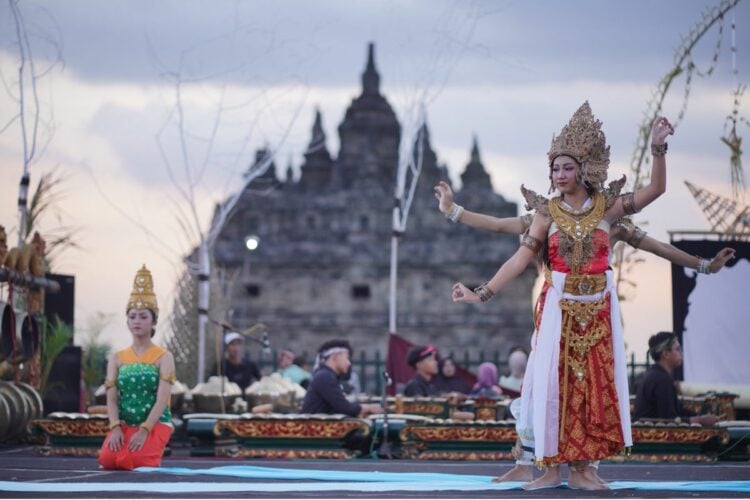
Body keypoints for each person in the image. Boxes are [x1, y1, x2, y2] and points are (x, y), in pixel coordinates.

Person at [447, 103, 674, 490]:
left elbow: (655, 190)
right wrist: (480, 290)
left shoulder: (607, 210)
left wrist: (657, 149)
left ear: (583, 169)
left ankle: (583, 468)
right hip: (559, 311)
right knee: (551, 385)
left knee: (592, 387)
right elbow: (514, 251)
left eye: (567, 167)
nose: (560, 175)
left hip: (598, 311)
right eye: (555, 168)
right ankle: (549, 467)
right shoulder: (547, 214)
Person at [99, 265, 175, 471]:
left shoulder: (164, 356)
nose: (137, 321)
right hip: (124, 424)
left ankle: (150, 445)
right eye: (132, 316)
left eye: (143, 317)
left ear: (153, 322)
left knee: (136, 462)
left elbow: (162, 400)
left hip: (154, 423)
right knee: (108, 460)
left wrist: (145, 430)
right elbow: (112, 398)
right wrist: (115, 427)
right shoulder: (117, 357)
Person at [634, 331, 720, 425]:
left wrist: (700, 417)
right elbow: (669, 422)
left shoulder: (655, 376)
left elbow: (675, 412)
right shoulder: (661, 380)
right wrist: (700, 420)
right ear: (666, 354)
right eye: (678, 349)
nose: (681, 353)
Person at [302, 339, 382, 416]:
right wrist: (368, 408)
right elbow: (344, 408)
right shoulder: (325, 376)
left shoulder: (326, 375)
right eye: (347, 358)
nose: (349, 363)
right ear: (335, 357)